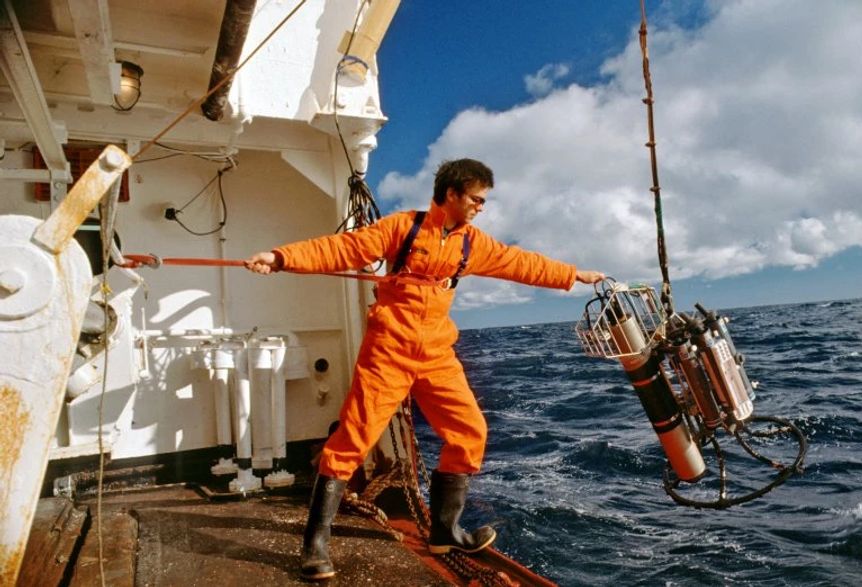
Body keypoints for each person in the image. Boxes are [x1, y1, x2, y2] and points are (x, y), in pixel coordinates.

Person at [245, 158, 604, 580]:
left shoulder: (472, 244)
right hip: (388, 352)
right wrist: (280, 257)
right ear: (451, 194)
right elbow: (342, 248)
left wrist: (573, 275)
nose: (481, 207)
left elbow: (519, 263)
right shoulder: (402, 228)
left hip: (437, 355)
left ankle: (445, 529)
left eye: (483, 201)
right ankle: (315, 544)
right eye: (475, 198)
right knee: (352, 441)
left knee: (470, 433)